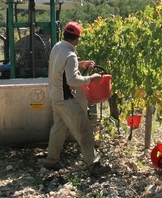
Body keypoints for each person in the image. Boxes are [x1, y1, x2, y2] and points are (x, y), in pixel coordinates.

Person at [43, 21, 111, 176]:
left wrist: (81, 64)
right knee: (85, 129)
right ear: (77, 38)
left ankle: (50, 162)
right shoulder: (71, 54)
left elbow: (62, 66)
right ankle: (94, 165)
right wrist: (91, 78)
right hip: (66, 100)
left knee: (58, 130)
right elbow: (72, 81)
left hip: (55, 96)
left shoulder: (57, 47)